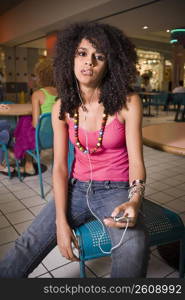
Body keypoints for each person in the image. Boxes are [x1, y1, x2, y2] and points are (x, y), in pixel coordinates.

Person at [0, 21, 149, 278]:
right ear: (71, 57)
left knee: (134, 247)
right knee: (27, 244)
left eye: (98, 56)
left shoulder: (128, 103)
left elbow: (136, 161)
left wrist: (135, 199)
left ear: (110, 64)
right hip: (76, 188)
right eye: (82, 53)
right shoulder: (62, 107)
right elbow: (58, 167)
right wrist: (61, 221)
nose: (88, 62)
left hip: (116, 190)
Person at [12, 58, 58, 175]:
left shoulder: (37, 94)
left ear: (41, 76)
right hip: (57, 137)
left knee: (25, 124)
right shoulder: (61, 92)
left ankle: (27, 163)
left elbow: (36, 124)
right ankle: (23, 159)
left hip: (41, 140)